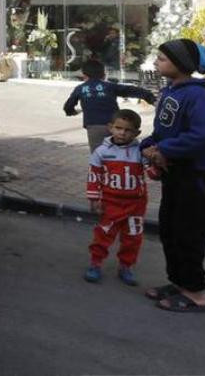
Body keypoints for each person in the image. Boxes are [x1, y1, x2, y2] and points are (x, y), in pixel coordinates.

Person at [140, 39, 205, 313]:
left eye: (162, 58)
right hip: (174, 170)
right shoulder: (171, 91)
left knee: (189, 231)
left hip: (196, 172)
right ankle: (179, 282)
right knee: (170, 228)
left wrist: (163, 149)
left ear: (181, 64)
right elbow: (163, 131)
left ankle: (197, 294)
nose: (156, 62)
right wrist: (148, 147)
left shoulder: (198, 95)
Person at [84, 108, 149, 286]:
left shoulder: (140, 152)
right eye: (118, 128)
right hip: (110, 202)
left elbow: (151, 171)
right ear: (110, 127)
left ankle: (126, 266)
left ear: (137, 133)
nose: (122, 133)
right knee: (103, 234)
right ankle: (95, 263)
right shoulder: (101, 152)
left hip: (135, 204)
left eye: (128, 130)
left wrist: (156, 164)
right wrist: (94, 198)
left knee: (133, 237)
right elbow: (94, 176)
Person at [64, 60, 156, 152]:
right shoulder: (109, 86)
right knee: (121, 150)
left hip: (94, 127)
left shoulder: (80, 89)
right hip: (115, 125)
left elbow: (68, 106)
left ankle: (100, 166)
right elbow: (130, 90)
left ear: (84, 75)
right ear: (103, 75)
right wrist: (150, 97)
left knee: (98, 152)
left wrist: (72, 112)